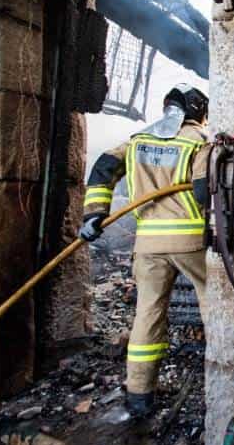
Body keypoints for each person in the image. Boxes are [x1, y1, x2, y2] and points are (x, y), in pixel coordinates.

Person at [79, 84, 211, 417]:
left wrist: (95, 213)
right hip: (189, 240)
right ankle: (226, 381)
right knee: (217, 305)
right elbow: (204, 192)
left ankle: (139, 393)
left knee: (148, 313)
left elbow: (102, 170)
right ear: (198, 111)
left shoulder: (137, 141)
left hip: (148, 243)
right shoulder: (199, 141)